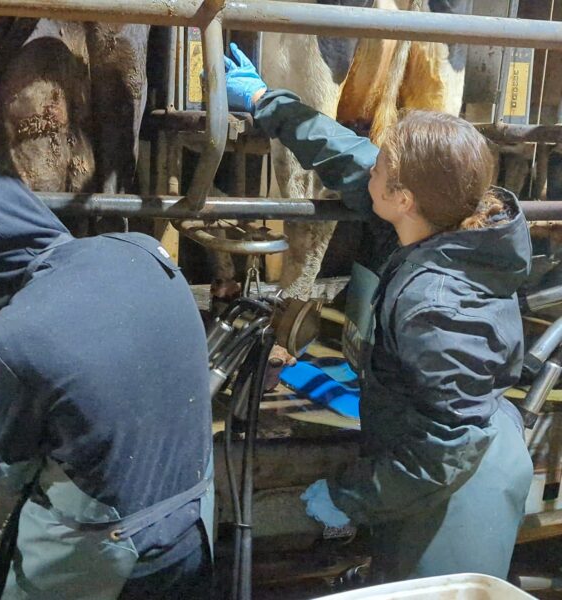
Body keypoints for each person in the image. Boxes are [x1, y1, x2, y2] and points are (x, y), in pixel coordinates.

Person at [224, 43, 533, 582]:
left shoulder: (437, 306)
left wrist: (351, 497)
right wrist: (266, 101)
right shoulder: (451, 220)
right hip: (449, 458)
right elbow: (351, 156)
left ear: (405, 198)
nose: (371, 169)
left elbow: (444, 450)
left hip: (457, 488)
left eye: (383, 165)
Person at [0, 160, 214, 599]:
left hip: (107, 560)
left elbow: (7, 466)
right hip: (196, 526)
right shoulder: (141, 248)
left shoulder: (9, 340)